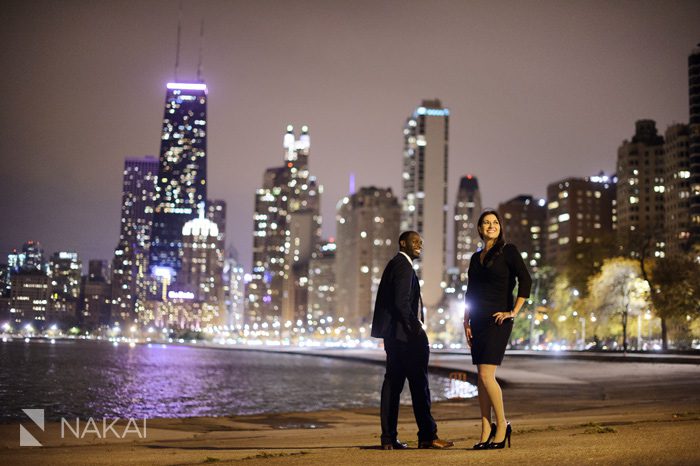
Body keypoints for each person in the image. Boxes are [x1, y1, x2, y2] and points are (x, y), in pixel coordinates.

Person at [371, 231, 454, 450]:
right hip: (407, 337)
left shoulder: (395, 264)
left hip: (394, 336)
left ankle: (388, 438)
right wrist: (416, 329)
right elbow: (401, 303)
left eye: (421, 242)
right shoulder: (403, 265)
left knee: (393, 385)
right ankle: (428, 436)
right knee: (420, 386)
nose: (419, 245)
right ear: (403, 243)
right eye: (415, 241)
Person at [463, 210, 531, 450]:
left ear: (500, 227)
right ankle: (485, 429)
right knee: (481, 379)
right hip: (478, 321)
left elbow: (526, 280)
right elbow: (470, 292)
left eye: (495, 222)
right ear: (480, 229)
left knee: (485, 376)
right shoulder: (475, 257)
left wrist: (514, 311)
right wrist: (466, 321)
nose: (491, 226)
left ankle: (502, 425)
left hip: (498, 320)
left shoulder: (508, 251)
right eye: (486, 223)